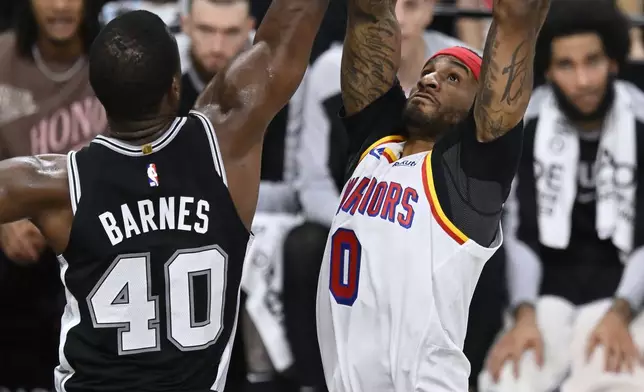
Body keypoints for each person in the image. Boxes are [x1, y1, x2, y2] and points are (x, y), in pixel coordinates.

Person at [0, 0, 327, 389]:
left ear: (97, 94)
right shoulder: (225, 143)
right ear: (176, 85)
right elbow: (282, 40)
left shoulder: (57, 183)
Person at [315, 0, 550, 389]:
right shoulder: (376, 148)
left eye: (454, 78)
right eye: (428, 71)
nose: (429, 79)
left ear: (480, 105)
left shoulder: (469, 175)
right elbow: (369, 14)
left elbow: (516, 21)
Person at [479, 1, 644, 391]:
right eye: (566, 66)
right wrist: (523, 314)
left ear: (614, 62)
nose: (583, 80)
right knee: (507, 381)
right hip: (543, 294)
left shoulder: (640, 121)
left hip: (627, 294)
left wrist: (622, 312)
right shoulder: (527, 125)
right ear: (547, 70)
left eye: (593, 61)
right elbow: (517, 231)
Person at [0, 0, 102, 389]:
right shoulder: (3, 59)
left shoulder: (116, 55)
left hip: (99, 228)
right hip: (18, 232)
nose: (60, 5)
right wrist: (4, 221)